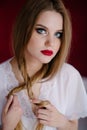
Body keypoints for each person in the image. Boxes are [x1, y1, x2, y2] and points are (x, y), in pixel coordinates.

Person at [0, 0, 87, 130]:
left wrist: (61, 122)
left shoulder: (69, 76)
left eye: (58, 34)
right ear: (23, 29)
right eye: (41, 31)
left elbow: (73, 127)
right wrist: (7, 127)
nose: (51, 43)